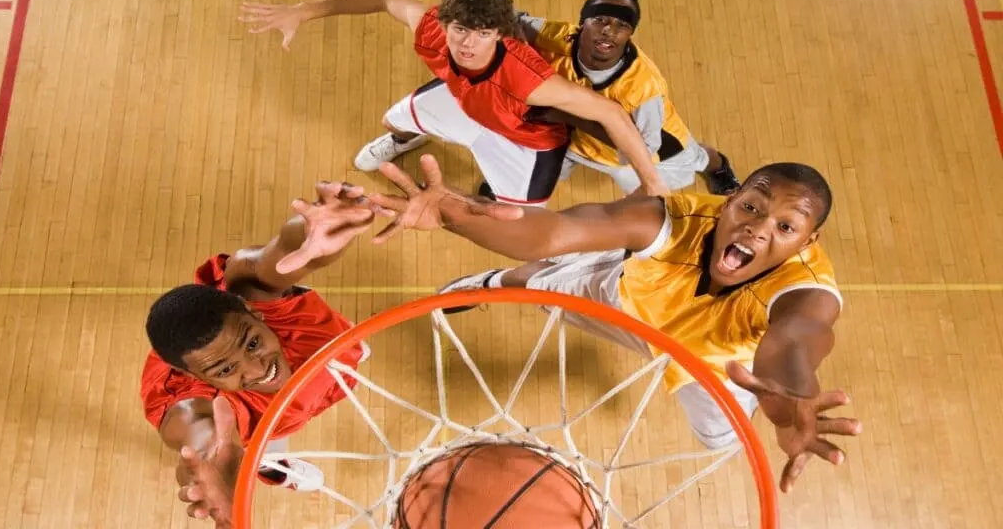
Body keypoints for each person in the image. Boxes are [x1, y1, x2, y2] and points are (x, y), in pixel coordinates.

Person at [364, 154, 863, 493]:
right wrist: (453, 214)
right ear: (729, 202)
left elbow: (796, 340)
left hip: (710, 366)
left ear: (808, 240)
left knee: (721, 439)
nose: (757, 227)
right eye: (751, 207)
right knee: (538, 280)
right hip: (629, 304)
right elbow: (553, 231)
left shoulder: (808, 291)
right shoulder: (671, 220)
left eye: (785, 227)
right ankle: (492, 282)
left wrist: (787, 398)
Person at [238, 0, 669, 206]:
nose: (467, 43)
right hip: (467, 103)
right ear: (444, 23)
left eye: (482, 33)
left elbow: (610, 113)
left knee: (516, 214)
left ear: (500, 35)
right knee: (394, 121)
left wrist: (653, 185)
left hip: (522, 141)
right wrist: (305, 11)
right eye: (460, 29)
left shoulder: (527, 77)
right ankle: (406, 139)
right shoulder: (432, 28)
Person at [139, 182, 383, 525]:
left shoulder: (252, 294)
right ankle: (266, 466)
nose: (258, 368)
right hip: (264, 422)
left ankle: (347, 355)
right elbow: (200, 437)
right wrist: (209, 471)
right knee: (254, 444)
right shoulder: (193, 408)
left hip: (321, 357)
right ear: (194, 378)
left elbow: (281, 254)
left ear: (253, 312)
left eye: (252, 343)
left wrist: (311, 232)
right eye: (225, 370)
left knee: (339, 354)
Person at [515, 0, 741, 195]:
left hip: (646, 151)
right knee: (531, 165)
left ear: (630, 33)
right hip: (573, 138)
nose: (608, 30)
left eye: (621, 25)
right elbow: (515, 21)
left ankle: (717, 167)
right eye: (600, 19)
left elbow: (640, 148)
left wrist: (566, 115)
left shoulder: (643, 87)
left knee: (698, 158)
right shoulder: (561, 37)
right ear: (583, 23)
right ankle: (509, 186)